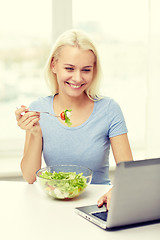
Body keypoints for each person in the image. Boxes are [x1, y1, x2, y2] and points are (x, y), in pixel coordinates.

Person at [15, 29, 133, 209]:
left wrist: (118, 190)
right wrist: (35, 133)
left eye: (86, 70)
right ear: (54, 65)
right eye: (69, 68)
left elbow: (129, 174)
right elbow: (30, 177)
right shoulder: (39, 109)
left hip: (98, 204)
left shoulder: (109, 109)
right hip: (55, 204)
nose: (77, 78)